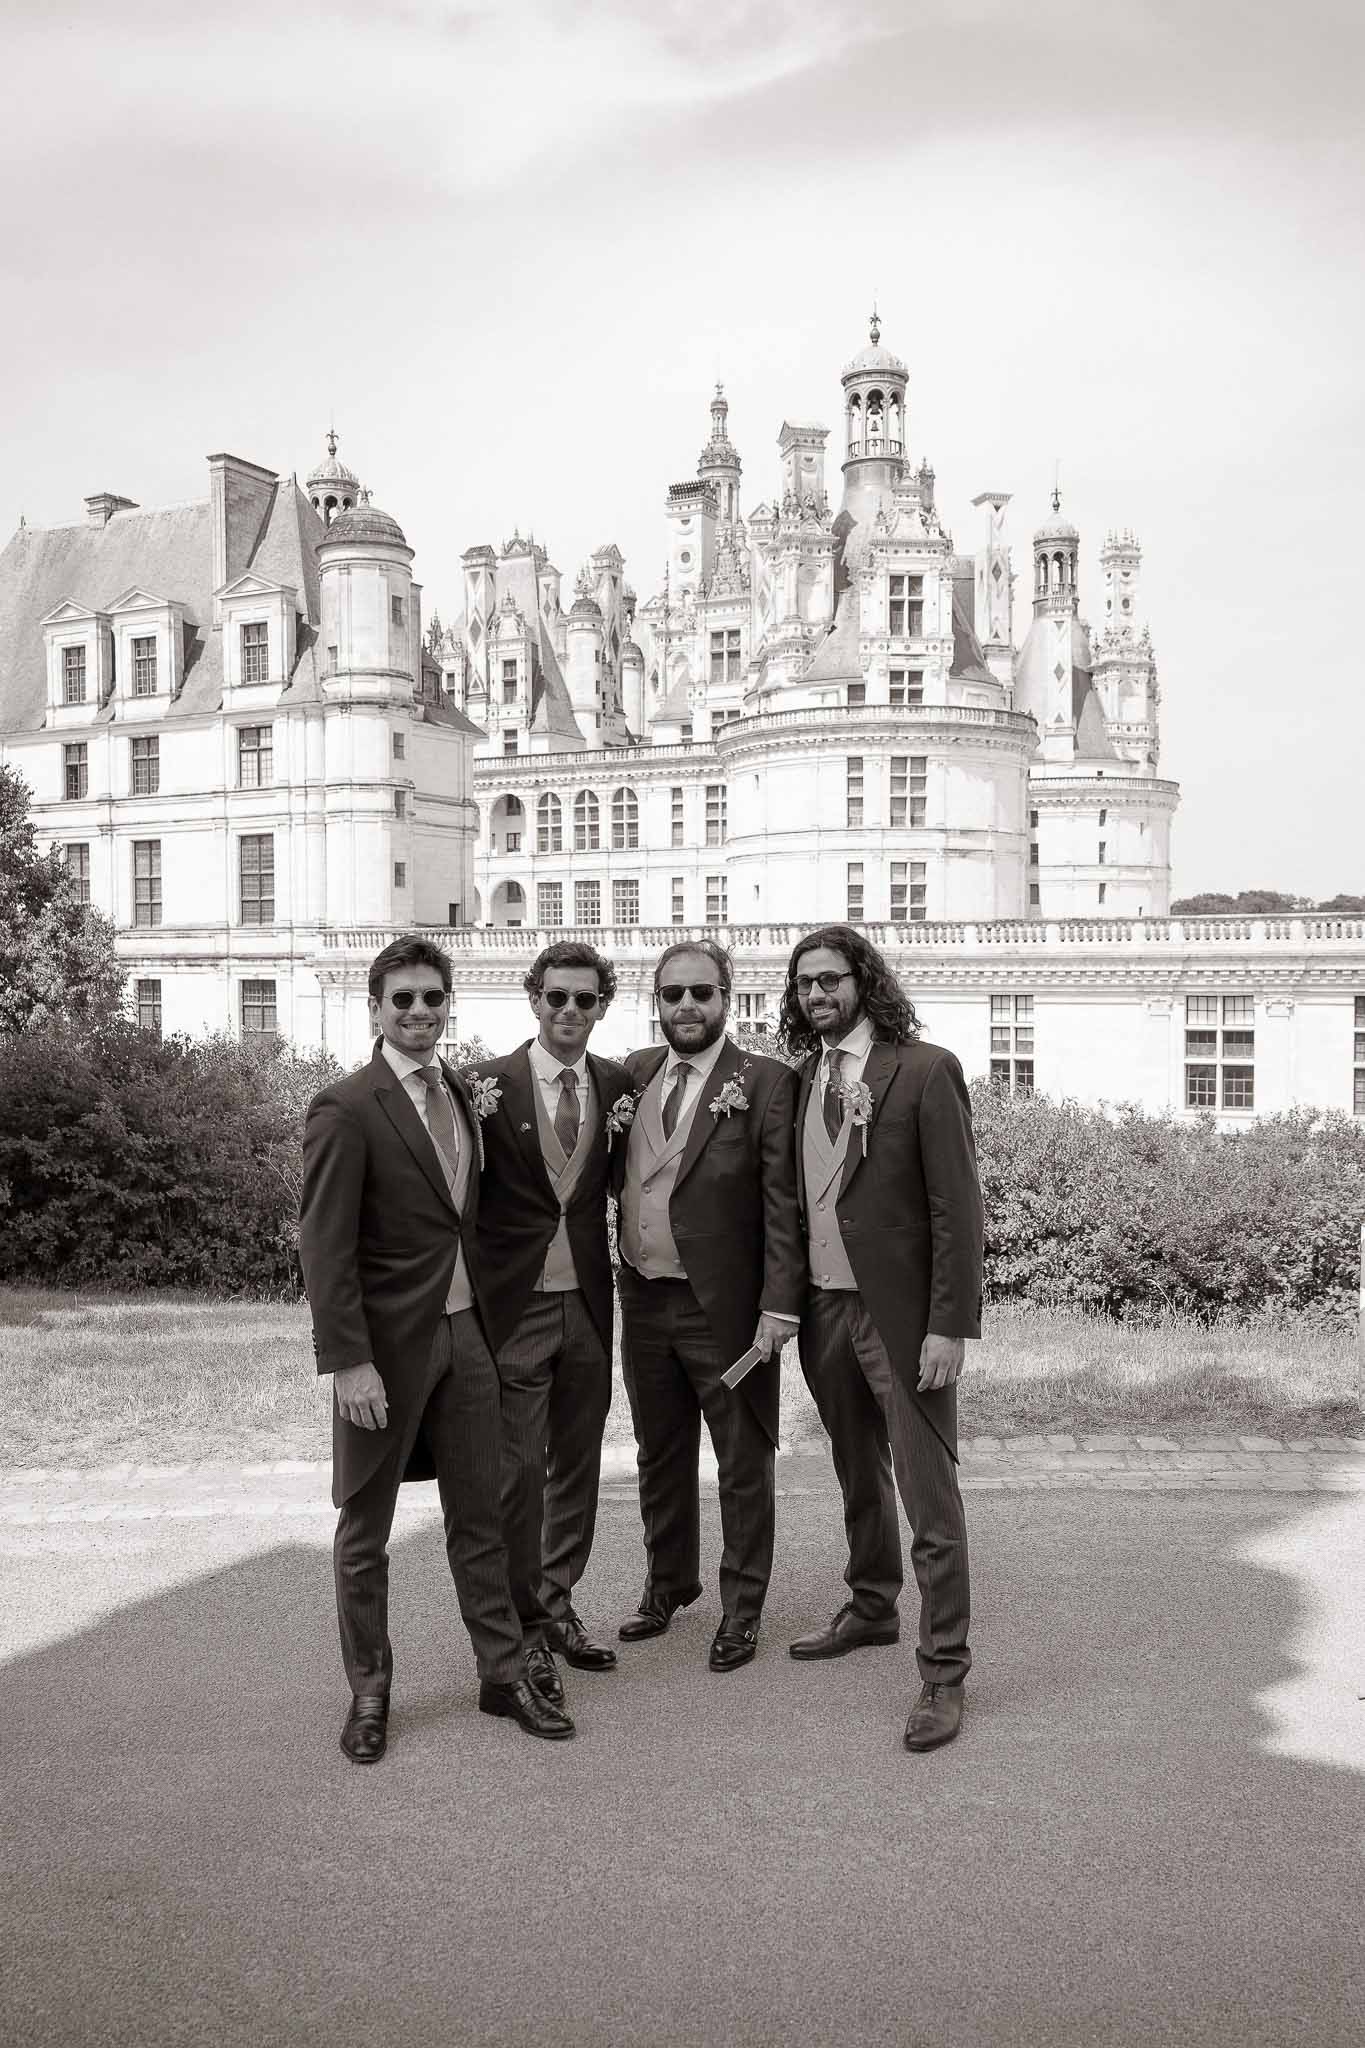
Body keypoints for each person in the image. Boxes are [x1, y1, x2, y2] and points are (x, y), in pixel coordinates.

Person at [298, 934, 574, 1761]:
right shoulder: (345, 1107)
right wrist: (347, 1360)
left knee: (479, 1516)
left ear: (446, 1005)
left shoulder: (463, 1091)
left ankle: (500, 1674)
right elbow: (325, 1245)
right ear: (376, 1008)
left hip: (469, 1338)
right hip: (384, 1349)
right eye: (403, 1000)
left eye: (431, 998)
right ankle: (371, 1691)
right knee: (364, 1527)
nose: (419, 1012)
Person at [780, 925, 983, 1752]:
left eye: (830, 980)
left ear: (863, 982)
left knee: (928, 1498)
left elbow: (956, 1210)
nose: (817, 995)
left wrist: (947, 1326)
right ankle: (871, 1607)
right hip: (823, 1310)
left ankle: (942, 1672)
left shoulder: (924, 1070)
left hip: (900, 1320)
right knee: (855, 1473)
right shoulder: (802, 1078)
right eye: (803, 985)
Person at [614, 939, 804, 1672]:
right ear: (654, 1001)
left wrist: (779, 1306)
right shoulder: (630, 1075)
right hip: (643, 1299)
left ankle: (741, 1608)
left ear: (726, 996)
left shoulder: (765, 1082)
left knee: (740, 1460)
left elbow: (782, 1207)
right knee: (657, 1453)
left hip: (725, 1309)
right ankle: (667, 1585)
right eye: (672, 995)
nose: (686, 1006)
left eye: (700, 993)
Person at [469, 940, 633, 1708]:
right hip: (515, 1307)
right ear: (533, 999)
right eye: (557, 997)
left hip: (589, 1307)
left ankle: (558, 1599)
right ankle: (523, 1630)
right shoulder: (482, 1087)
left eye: (585, 999)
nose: (570, 1011)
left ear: (603, 1005)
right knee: (517, 1475)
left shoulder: (617, 1084)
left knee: (577, 1465)